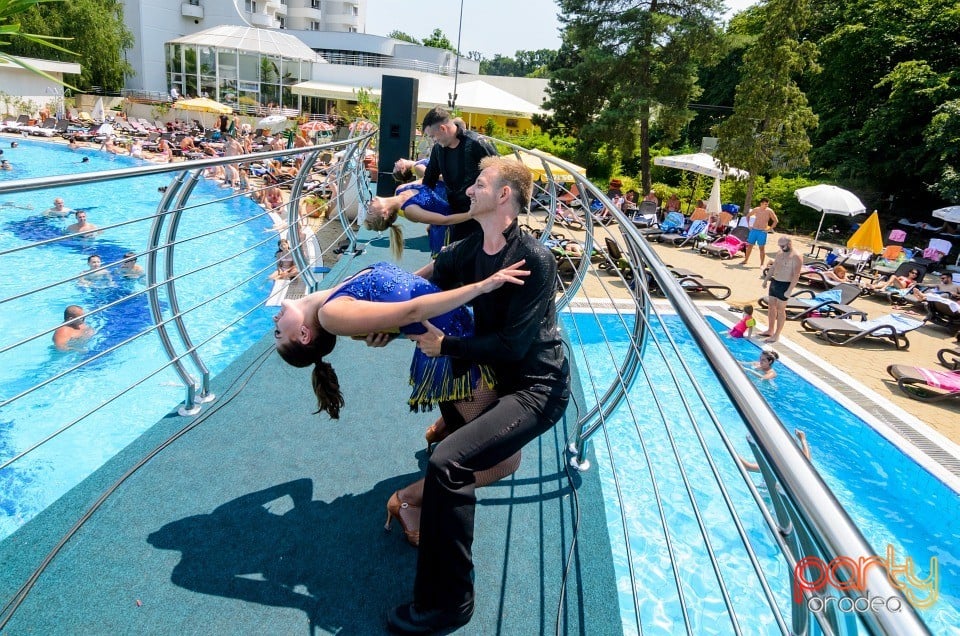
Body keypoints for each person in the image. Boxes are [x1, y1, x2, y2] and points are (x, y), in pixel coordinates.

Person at [392, 156, 570, 633]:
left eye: (480, 183)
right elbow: (416, 284)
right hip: (492, 375)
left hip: (536, 387)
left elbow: (514, 346)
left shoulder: (533, 258)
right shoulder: (471, 248)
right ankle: (449, 428)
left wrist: (445, 343)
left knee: (449, 463)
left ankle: (450, 602)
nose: (469, 190)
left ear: (505, 196)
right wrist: (376, 318)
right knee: (462, 440)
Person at [273, 259, 529, 418]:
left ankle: (443, 434)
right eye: (279, 332)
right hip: (452, 347)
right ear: (304, 335)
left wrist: (446, 258)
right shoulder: (330, 314)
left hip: (457, 334)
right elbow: (412, 310)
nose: (275, 321)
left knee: (479, 420)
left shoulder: (332, 298)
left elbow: (402, 288)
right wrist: (482, 285)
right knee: (486, 432)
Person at [420, 106, 497, 243]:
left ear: (443, 129)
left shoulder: (476, 144)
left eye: (432, 136)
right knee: (456, 258)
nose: (433, 141)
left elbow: (501, 174)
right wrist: (430, 215)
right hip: (456, 215)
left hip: (482, 216)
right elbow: (429, 180)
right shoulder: (438, 149)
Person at [364, 181, 473, 259]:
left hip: (455, 191)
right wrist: (472, 214)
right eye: (370, 211)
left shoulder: (400, 189)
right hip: (452, 224)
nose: (369, 204)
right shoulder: (410, 210)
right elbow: (445, 220)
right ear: (385, 213)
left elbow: (426, 180)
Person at [759, 237, 803, 343]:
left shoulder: (796, 256)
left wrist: (789, 290)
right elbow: (773, 267)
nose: (781, 247)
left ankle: (777, 335)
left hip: (785, 284)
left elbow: (796, 275)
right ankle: (770, 330)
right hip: (775, 282)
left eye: (783, 246)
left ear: (789, 243)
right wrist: (766, 280)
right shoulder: (779, 253)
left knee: (780, 310)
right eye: (780, 246)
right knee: (771, 307)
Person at [741, 428, 810, 472]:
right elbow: (807, 461)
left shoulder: (776, 465)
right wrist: (803, 440)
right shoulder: (794, 465)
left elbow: (748, 467)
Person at [740, 198, 779, 267]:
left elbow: (776, 220)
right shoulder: (756, 209)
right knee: (749, 246)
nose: (766, 205)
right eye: (765, 204)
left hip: (762, 231)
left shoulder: (769, 211)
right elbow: (748, 216)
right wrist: (749, 225)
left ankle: (761, 264)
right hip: (754, 230)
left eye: (767, 204)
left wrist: (769, 229)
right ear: (761, 203)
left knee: (761, 248)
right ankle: (746, 260)